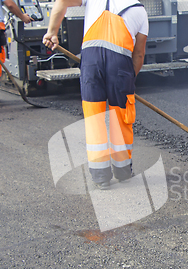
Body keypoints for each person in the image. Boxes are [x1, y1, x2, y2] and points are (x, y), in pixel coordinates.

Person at [43, 0, 148, 190]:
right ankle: (123, 171)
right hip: (121, 66)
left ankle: (100, 177)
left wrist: (52, 32)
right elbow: (139, 54)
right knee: (122, 118)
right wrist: (129, 79)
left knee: (95, 118)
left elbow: (61, 1)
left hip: (90, 63)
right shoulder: (140, 11)